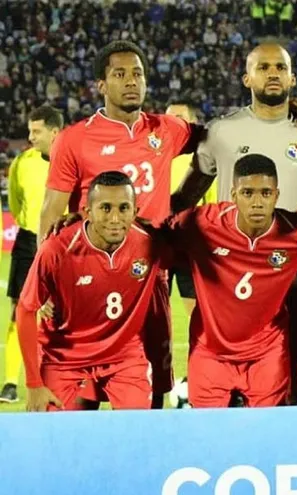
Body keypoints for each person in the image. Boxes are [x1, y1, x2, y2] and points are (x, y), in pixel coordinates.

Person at [40, 40, 206, 408]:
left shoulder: (166, 129)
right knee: (80, 400)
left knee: (150, 393)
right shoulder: (75, 139)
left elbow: (218, 141)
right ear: (101, 84)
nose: (131, 81)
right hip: (88, 282)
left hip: (150, 280)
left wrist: (183, 199)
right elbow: (50, 214)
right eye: (120, 74)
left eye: (138, 74)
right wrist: (46, 288)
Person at [176, 41, 297, 405]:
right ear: (246, 77)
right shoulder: (221, 131)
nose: (272, 74)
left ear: (293, 77)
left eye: (280, 68)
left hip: (296, 276)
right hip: (231, 279)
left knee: (295, 386)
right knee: (228, 387)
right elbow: (185, 197)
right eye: (263, 68)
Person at [161, 155, 297, 407]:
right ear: (233, 194)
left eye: (265, 193)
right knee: (208, 435)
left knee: (264, 434)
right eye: (247, 193)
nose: (257, 202)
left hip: (267, 355)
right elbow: (157, 233)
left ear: (277, 195)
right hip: (210, 353)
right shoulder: (202, 223)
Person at [17, 172, 165, 412]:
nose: (115, 218)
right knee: (55, 438)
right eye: (105, 208)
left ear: (135, 212)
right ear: (87, 211)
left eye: (123, 208)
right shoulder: (57, 249)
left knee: (137, 433)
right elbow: (25, 310)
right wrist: (34, 384)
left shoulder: (151, 243)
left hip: (123, 356)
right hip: (63, 359)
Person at [1, 106, 63, 404]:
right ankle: (11, 381)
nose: (30, 137)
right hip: (27, 241)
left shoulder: (70, 159)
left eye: (36, 131)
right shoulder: (21, 162)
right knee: (19, 311)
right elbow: (15, 203)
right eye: (30, 130)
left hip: (62, 241)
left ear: (54, 131)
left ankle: (62, 373)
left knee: (63, 312)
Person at [165, 101, 217, 320]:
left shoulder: (204, 160)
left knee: (198, 314)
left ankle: (202, 352)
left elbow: (212, 206)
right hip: (158, 245)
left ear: (193, 124)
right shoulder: (156, 158)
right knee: (152, 311)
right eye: (168, 118)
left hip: (190, 247)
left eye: (179, 117)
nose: (172, 123)